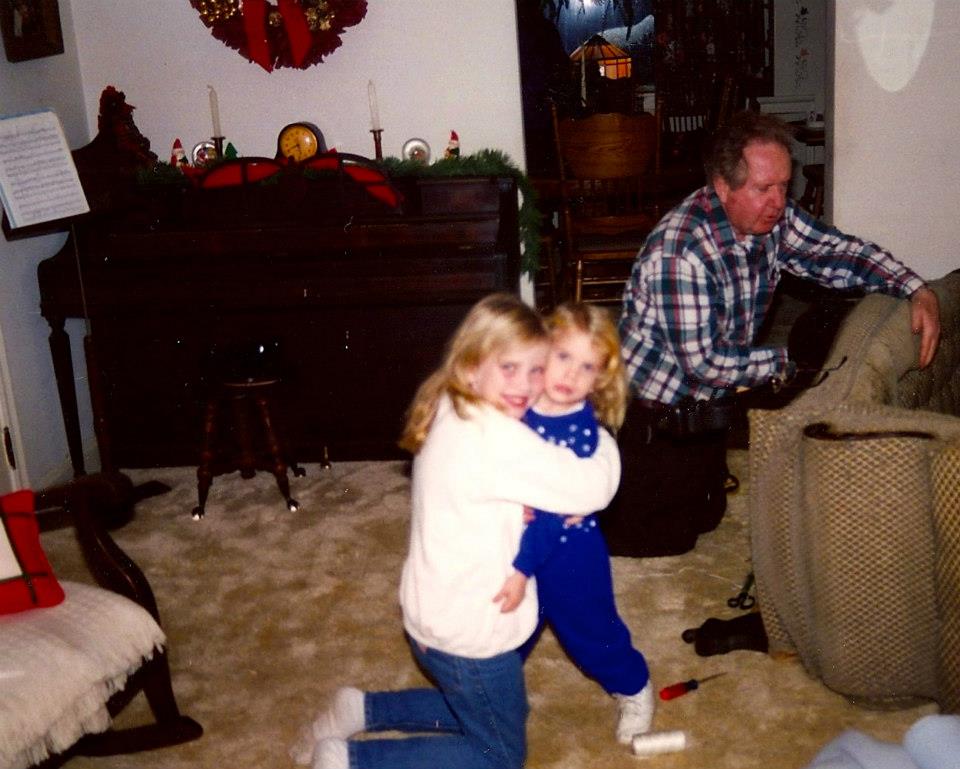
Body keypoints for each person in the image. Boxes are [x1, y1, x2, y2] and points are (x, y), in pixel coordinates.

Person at [290, 292, 621, 769]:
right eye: (509, 368)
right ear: (471, 367)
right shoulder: (500, 440)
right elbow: (591, 487)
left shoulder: (453, 403)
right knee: (500, 755)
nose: (526, 385)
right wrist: (604, 440)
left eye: (535, 369)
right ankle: (350, 760)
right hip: (469, 635)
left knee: (497, 709)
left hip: (433, 611)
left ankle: (361, 709)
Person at [601, 109, 941, 558]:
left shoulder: (771, 219)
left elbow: (837, 252)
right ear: (723, 188)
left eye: (784, 185)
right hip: (651, 419)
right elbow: (706, 366)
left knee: (708, 517)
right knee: (661, 542)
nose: (779, 202)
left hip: (705, 412)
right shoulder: (680, 254)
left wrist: (916, 288)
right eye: (764, 188)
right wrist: (790, 364)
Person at [495, 302, 654, 746]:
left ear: (600, 378)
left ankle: (634, 687)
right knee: (504, 631)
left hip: (570, 553)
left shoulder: (583, 433)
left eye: (586, 367)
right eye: (563, 356)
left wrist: (523, 564)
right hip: (512, 544)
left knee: (591, 631)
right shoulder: (516, 408)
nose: (570, 374)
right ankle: (494, 695)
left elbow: (559, 505)